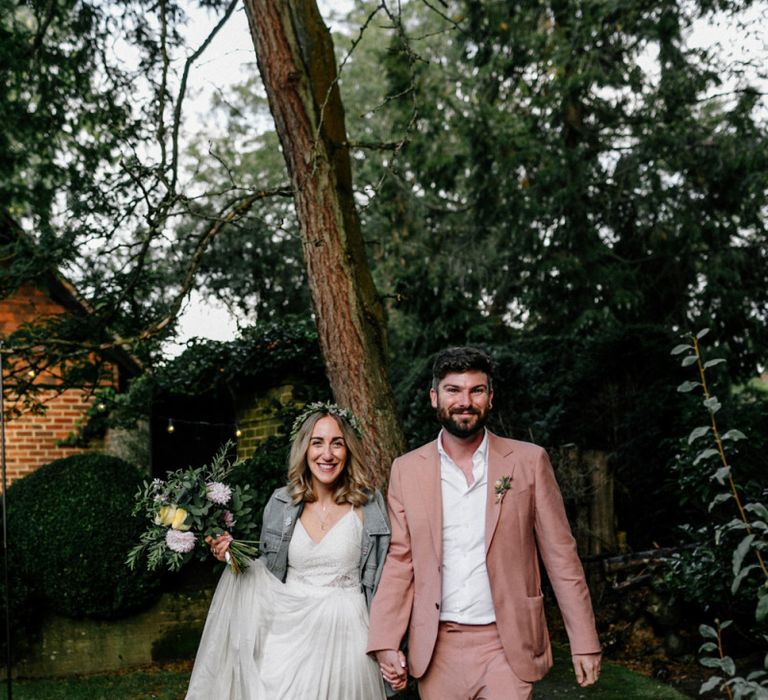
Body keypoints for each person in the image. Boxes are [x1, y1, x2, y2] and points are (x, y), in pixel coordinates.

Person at [368, 347, 602, 699]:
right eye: (453, 390)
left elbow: (561, 556)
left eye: (476, 390)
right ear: (434, 397)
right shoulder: (406, 470)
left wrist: (584, 641)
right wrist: (386, 639)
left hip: (508, 645)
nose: (465, 401)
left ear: (490, 398)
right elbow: (401, 560)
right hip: (436, 648)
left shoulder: (528, 462)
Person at [186, 402, 400, 699]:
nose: (327, 454)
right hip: (288, 636)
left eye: (337, 443)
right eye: (317, 443)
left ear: (349, 449)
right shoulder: (280, 503)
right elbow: (267, 575)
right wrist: (232, 553)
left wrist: (388, 644)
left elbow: (389, 578)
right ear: (304, 449)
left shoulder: (368, 504)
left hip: (349, 637)